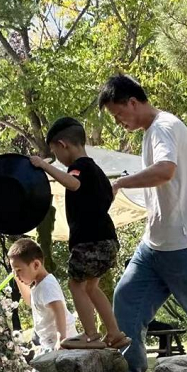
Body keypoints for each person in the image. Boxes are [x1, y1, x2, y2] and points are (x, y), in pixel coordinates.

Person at [99, 74, 187, 372]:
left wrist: (120, 183)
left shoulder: (164, 127)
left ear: (133, 102)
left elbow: (165, 170)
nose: (119, 122)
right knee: (126, 298)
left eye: (119, 114)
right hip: (154, 245)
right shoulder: (151, 133)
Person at [30, 117, 131, 350]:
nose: (57, 158)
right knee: (91, 288)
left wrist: (44, 165)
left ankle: (91, 335)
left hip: (89, 242)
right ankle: (115, 333)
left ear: (63, 144)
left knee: (76, 286)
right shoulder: (97, 172)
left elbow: (73, 184)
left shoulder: (80, 167)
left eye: (55, 152)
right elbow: (107, 198)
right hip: (107, 241)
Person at [8, 238, 78, 358]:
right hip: (49, 344)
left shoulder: (47, 285)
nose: (17, 274)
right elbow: (30, 300)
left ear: (36, 265)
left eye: (19, 270)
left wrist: (61, 339)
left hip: (63, 344)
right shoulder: (38, 286)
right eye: (14, 271)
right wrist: (18, 280)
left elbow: (58, 309)